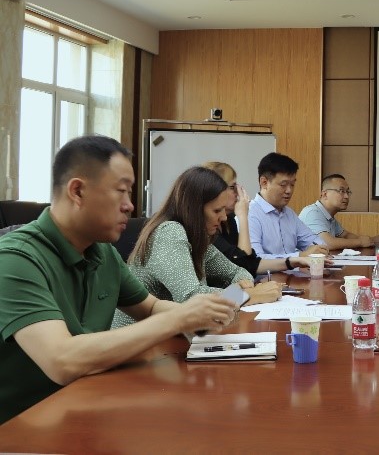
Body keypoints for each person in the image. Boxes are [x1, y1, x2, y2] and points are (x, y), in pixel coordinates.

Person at [0, 136, 237, 424]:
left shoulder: (103, 253)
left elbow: (150, 307)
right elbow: (62, 361)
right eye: (121, 191)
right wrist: (178, 318)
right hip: (24, 427)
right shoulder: (14, 259)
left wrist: (198, 315)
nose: (129, 205)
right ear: (77, 191)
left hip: (87, 405)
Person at [112, 166, 281, 328]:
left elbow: (239, 272)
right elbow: (191, 297)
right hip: (140, 340)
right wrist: (248, 295)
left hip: (174, 334)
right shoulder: (169, 233)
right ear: (194, 210)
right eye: (217, 211)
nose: (224, 217)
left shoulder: (197, 238)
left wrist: (240, 288)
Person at [203, 161, 314, 274]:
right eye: (232, 187)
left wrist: (292, 261)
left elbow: (252, 263)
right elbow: (243, 265)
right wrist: (243, 216)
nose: (238, 192)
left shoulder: (229, 220)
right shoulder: (206, 228)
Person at [248, 152, 327, 258]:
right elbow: (255, 259)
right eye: (283, 185)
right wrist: (300, 256)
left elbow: (316, 242)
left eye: (292, 184)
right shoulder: (250, 214)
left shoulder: (289, 214)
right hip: (270, 270)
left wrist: (319, 249)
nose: (289, 190)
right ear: (264, 182)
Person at [299, 174, 373, 250]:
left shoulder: (329, 216)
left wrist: (367, 240)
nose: (346, 196)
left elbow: (345, 235)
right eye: (341, 191)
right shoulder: (312, 212)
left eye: (347, 192)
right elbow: (326, 243)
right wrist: (360, 242)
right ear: (325, 194)